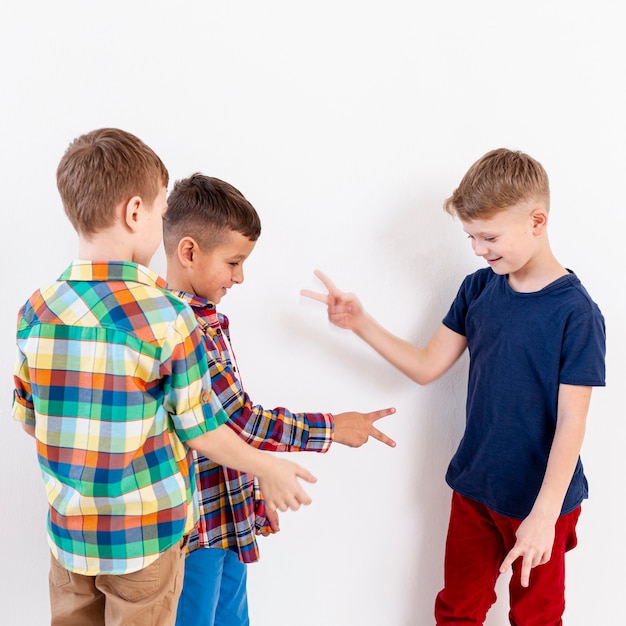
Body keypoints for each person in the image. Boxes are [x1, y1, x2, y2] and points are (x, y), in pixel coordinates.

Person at [12, 128, 316, 626]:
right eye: (158, 211)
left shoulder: (37, 311)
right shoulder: (167, 316)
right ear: (135, 213)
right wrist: (265, 466)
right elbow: (201, 427)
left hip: (69, 538)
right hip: (144, 540)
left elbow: (31, 420)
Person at [301, 148, 606, 625]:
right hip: (475, 489)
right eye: (470, 237)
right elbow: (426, 365)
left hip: (542, 500)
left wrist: (543, 516)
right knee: (458, 610)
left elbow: (573, 420)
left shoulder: (577, 314)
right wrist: (361, 323)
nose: (479, 249)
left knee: (536, 617)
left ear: (537, 221)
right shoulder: (478, 290)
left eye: (488, 236)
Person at [162, 173, 397, 626]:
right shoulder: (180, 326)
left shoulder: (205, 319)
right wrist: (334, 427)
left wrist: (250, 486)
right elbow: (241, 420)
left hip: (224, 516)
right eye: (233, 262)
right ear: (189, 252)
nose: (241, 276)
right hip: (195, 529)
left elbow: (224, 424)